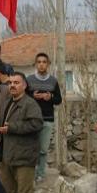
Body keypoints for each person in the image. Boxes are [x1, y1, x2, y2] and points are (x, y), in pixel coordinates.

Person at [0, 72, 43, 193]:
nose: (12, 86)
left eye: (16, 83)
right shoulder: (8, 102)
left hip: (24, 157)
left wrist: (12, 127)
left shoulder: (30, 103)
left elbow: (36, 124)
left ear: (25, 85)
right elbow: (5, 123)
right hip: (8, 155)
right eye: (10, 83)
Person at [26, 53, 63, 182]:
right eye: (39, 62)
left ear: (48, 64)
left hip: (47, 119)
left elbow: (59, 100)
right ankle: (31, 173)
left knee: (43, 149)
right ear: (36, 64)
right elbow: (23, 98)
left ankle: (41, 174)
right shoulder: (29, 80)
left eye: (44, 62)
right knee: (31, 147)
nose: (41, 64)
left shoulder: (53, 81)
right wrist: (32, 97)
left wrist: (50, 97)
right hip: (31, 119)